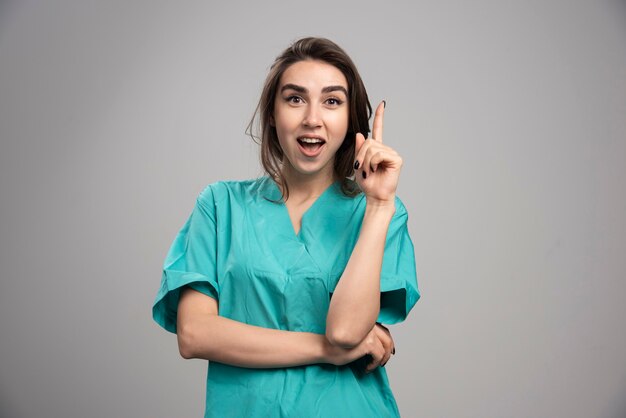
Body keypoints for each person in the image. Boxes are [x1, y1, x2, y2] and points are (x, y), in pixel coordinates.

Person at [152, 37, 420, 417]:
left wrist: (378, 205)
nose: (312, 118)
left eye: (332, 101)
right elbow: (194, 334)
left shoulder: (379, 213)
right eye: (295, 98)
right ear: (273, 114)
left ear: (349, 119)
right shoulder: (220, 206)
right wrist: (327, 350)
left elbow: (345, 331)